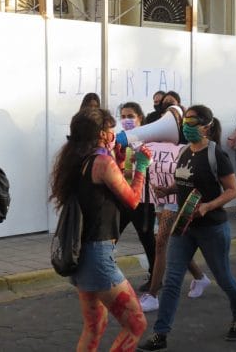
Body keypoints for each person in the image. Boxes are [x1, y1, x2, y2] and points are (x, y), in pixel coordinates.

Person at [138, 105, 236, 351]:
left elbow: (233, 190)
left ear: (206, 126)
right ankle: (160, 334)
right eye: (185, 121)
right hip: (184, 225)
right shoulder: (185, 151)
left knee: (224, 278)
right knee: (172, 279)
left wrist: (209, 206)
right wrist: (168, 190)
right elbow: (185, 182)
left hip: (212, 228)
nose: (186, 126)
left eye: (192, 122)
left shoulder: (216, 154)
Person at [49, 108, 152, 351]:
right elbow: (133, 200)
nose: (114, 133)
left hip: (81, 253)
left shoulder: (78, 160)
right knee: (136, 324)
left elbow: (105, 193)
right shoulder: (102, 162)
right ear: (102, 134)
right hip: (97, 255)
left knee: (94, 327)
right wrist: (141, 167)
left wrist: (120, 160)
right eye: (110, 129)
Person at [117, 102, 157, 293]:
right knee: (111, 235)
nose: (127, 120)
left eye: (131, 116)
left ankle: (155, 277)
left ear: (140, 118)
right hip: (124, 196)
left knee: (147, 238)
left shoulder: (148, 140)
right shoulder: (121, 140)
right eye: (123, 116)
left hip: (143, 199)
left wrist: (142, 162)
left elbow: (154, 165)